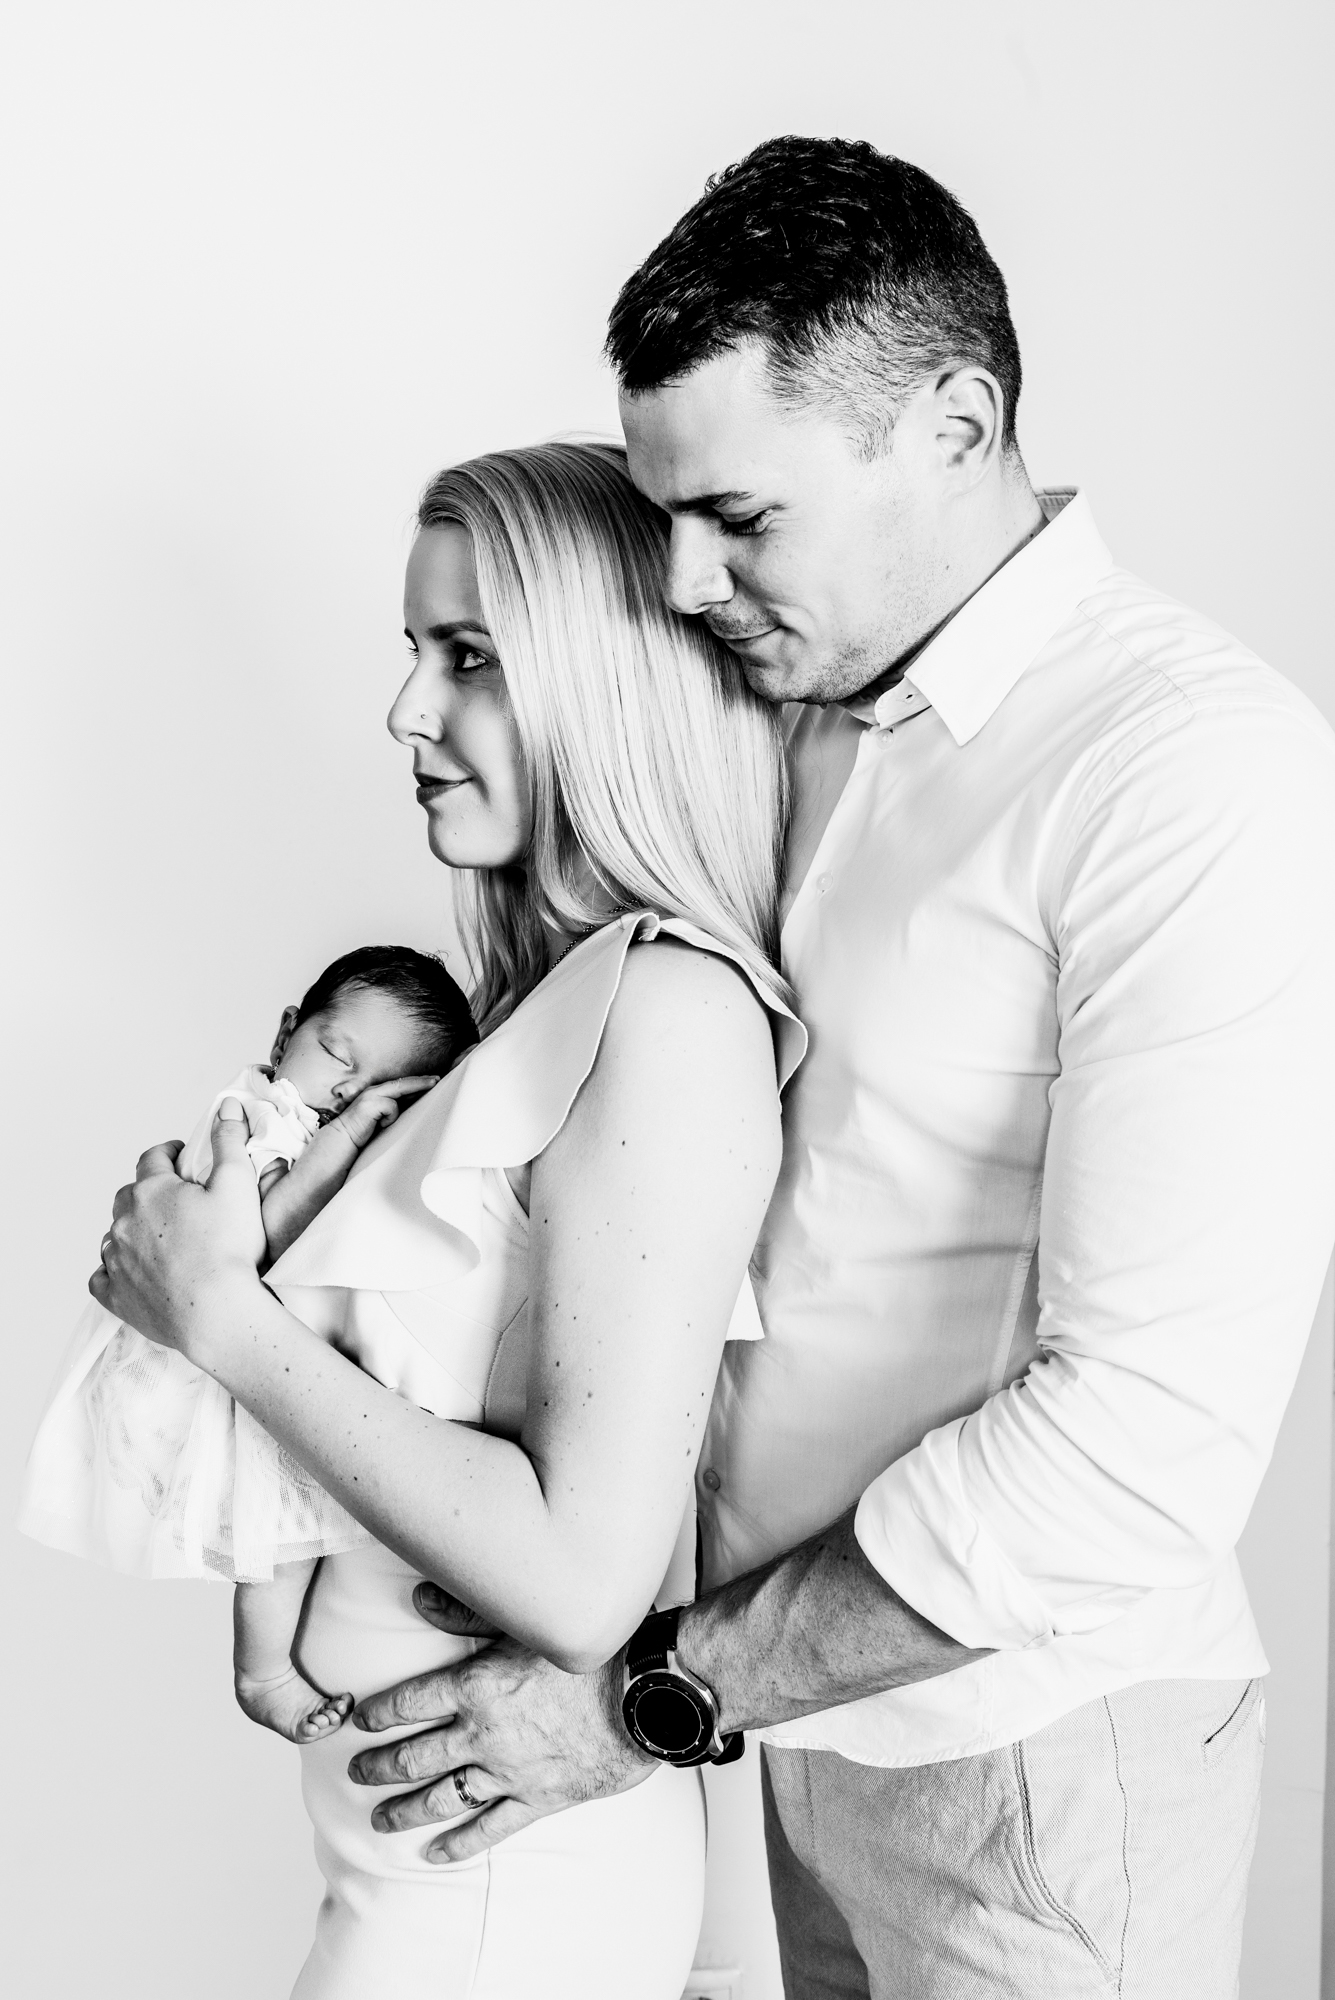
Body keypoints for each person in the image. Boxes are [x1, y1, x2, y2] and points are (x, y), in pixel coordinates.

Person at [323, 139, 1335, 1999]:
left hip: (1028, 1755)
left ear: (954, 425)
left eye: (742, 518)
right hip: (775, 1740)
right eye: (666, 518)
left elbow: (1144, 1448)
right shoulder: (781, 724)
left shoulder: (1186, 773)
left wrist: (660, 1694)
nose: (688, 581)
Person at [91, 440, 803, 1999]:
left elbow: (574, 1577)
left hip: (494, 1892)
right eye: (414, 654)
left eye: (468, 658)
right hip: (428, 1858)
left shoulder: (667, 1011)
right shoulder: (552, 998)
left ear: (612, 685)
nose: (409, 714)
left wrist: (220, 1314)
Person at [21, 945, 472, 1741]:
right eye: (338, 1056)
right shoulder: (254, 1116)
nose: (346, 1092)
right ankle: (261, 1673)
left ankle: (266, 1669)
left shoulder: (305, 1121)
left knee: (291, 1534)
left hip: (237, 1357)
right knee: (280, 1538)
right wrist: (356, 1133)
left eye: (379, 1090)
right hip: (196, 1372)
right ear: (285, 1034)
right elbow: (260, 1235)